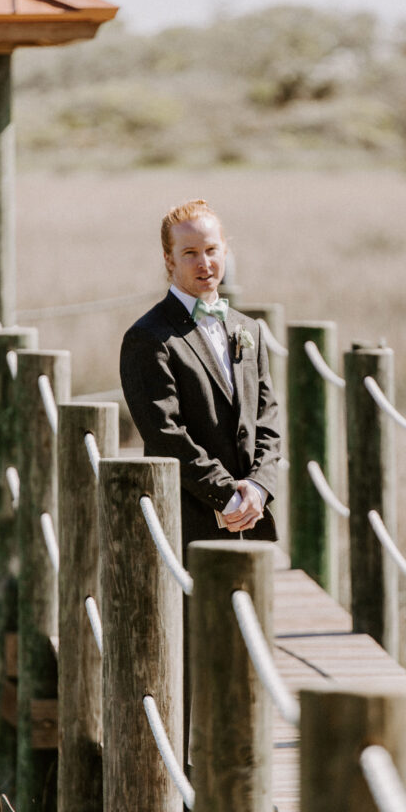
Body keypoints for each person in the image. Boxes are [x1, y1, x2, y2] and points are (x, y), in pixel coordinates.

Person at [119, 198, 281, 549]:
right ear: (169, 259)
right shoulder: (148, 338)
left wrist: (258, 487)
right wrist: (228, 496)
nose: (204, 263)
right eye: (190, 252)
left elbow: (267, 418)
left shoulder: (248, 329)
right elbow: (165, 434)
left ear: (225, 251)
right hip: (187, 524)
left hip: (254, 520)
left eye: (211, 249)